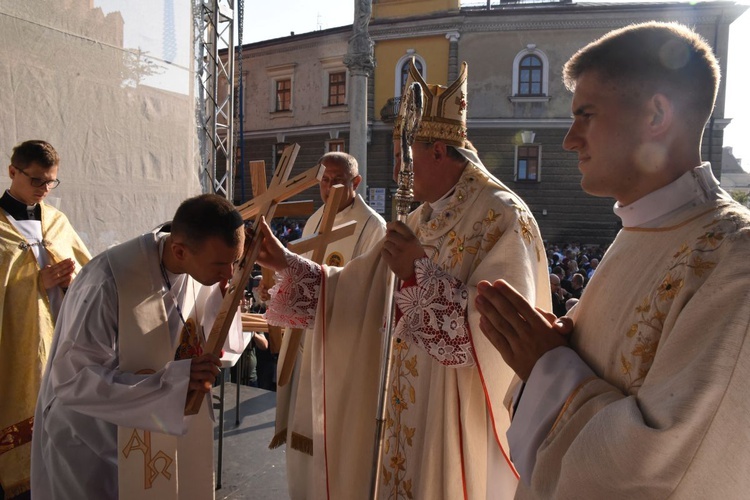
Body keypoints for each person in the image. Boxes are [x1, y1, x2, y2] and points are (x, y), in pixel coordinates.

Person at [475, 22, 750, 498]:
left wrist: (548, 366)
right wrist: (562, 346)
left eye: (586, 115)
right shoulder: (639, 231)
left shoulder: (731, 259)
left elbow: (661, 468)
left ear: (656, 114)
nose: (569, 140)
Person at [257, 60, 549, 498]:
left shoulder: (503, 215)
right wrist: (285, 262)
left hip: (452, 413)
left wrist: (417, 273)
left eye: (404, 158)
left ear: (437, 151)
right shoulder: (421, 217)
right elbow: (356, 285)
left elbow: (501, 337)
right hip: (403, 404)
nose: (399, 172)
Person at [31, 194, 245, 500]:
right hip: (92, 440)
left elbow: (210, 342)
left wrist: (224, 305)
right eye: (222, 264)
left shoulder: (201, 271)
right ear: (180, 251)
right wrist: (176, 382)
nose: (229, 273)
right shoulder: (105, 282)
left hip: (159, 432)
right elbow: (72, 381)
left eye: (234, 261)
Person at [270, 151, 386, 498]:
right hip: (306, 339)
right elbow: (301, 272)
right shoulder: (316, 219)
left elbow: (369, 292)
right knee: (301, 435)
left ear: (356, 182)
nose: (328, 187)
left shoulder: (372, 227)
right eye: (324, 179)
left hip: (340, 343)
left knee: (333, 438)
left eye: (337, 180)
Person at [0, 140, 91, 499]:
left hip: (63, 337)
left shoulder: (57, 220)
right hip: (18, 344)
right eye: (37, 181)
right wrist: (35, 284)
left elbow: (88, 272)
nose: (44, 190)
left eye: (51, 182)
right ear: (12, 172)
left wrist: (72, 281)